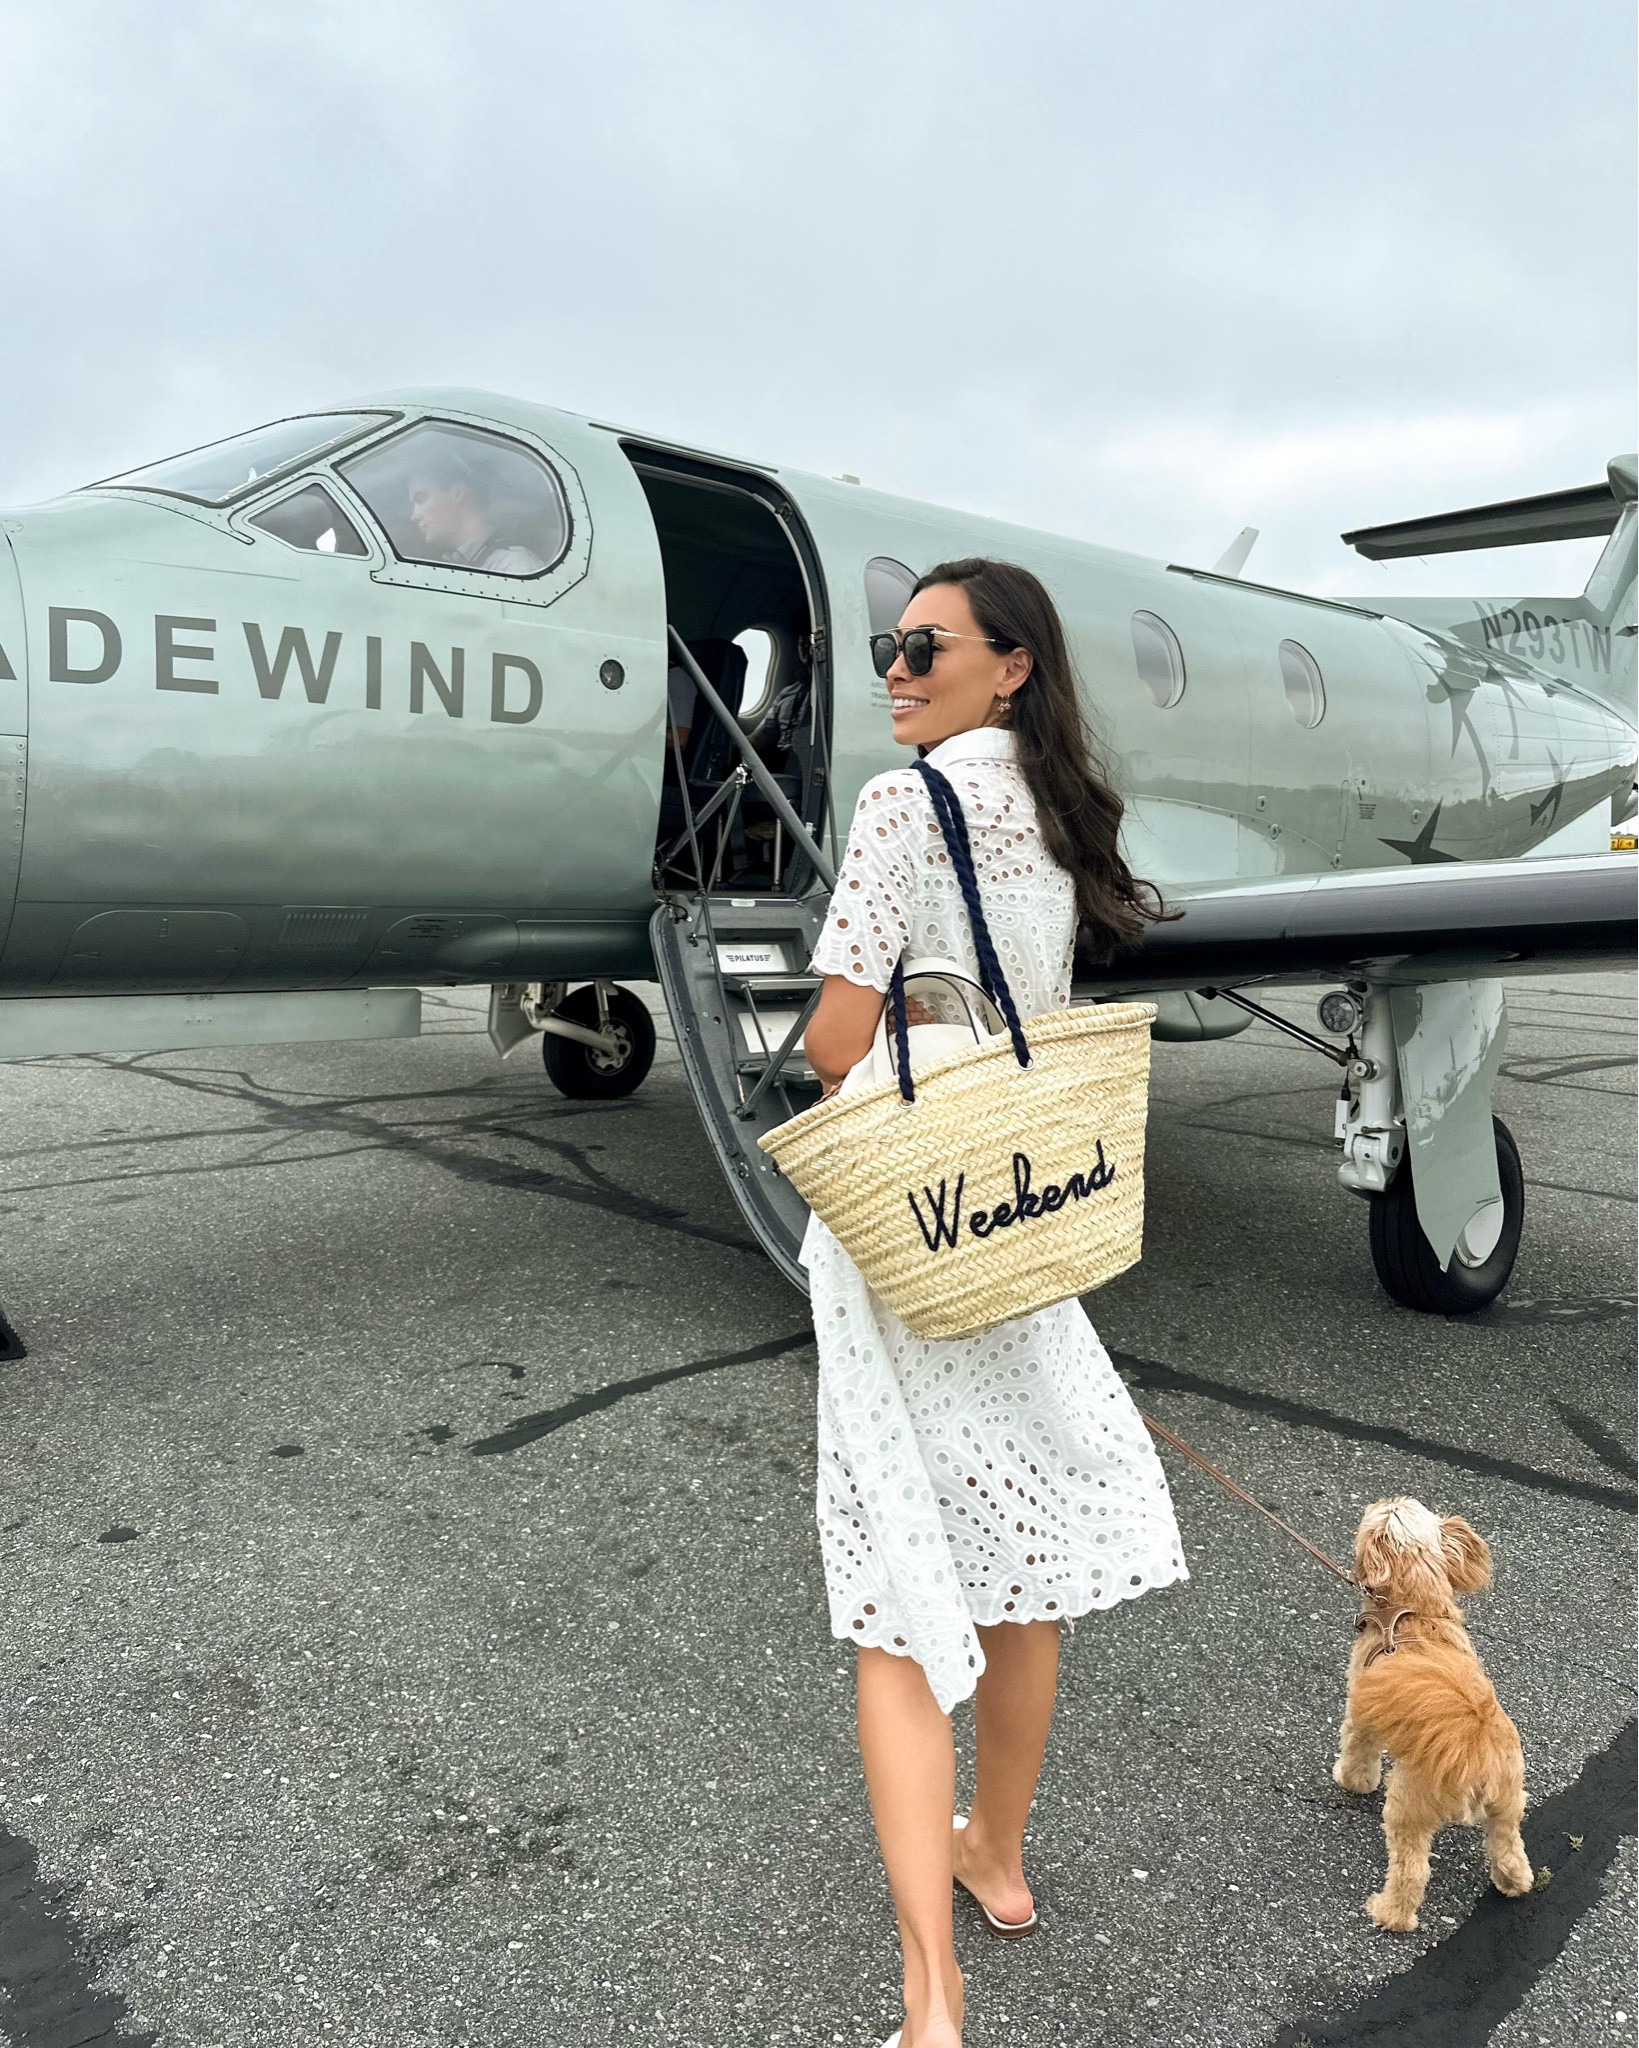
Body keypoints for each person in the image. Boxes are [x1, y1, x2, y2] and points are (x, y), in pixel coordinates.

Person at [801, 558, 1188, 2048]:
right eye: (889, 647)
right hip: (1020, 1213)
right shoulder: (1052, 811)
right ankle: (998, 1859)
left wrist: (886, 1005)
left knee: (898, 1599)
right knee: (1016, 1559)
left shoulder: (904, 803)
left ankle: (929, 2000)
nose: (893, 668)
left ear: (1008, 664)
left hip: (913, 1225)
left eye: (924, 645)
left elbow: (838, 1038)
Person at [404, 448, 547, 574]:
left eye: (421, 499)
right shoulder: (458, 563)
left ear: (457, 493)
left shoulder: (513, 566)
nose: (414, 516)